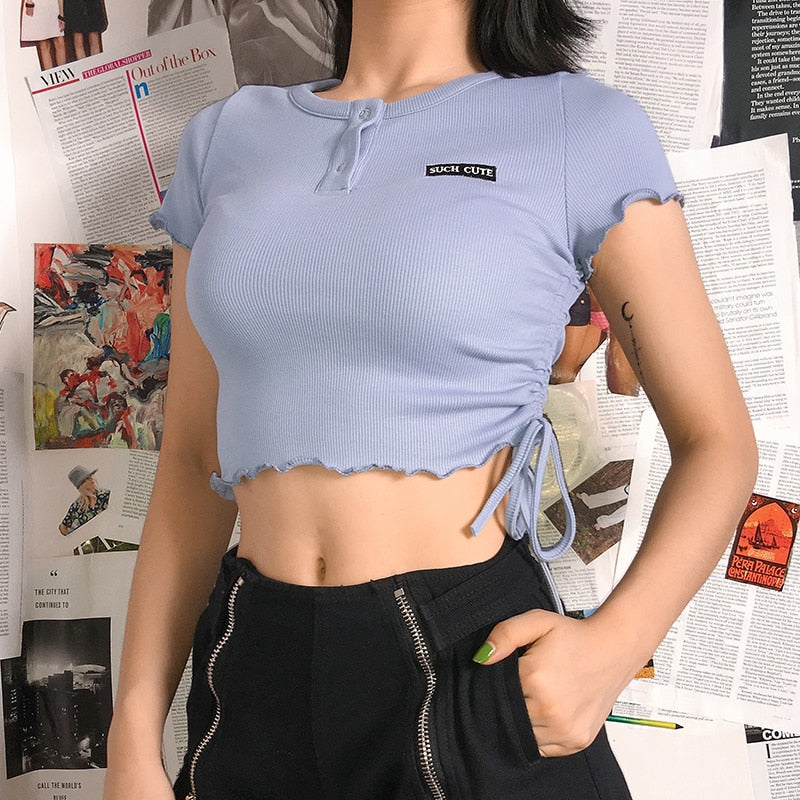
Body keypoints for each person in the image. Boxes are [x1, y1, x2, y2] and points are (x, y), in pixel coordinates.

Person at [103, 1, 758, 798]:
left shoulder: (579, 127)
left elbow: (718, 441)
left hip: (465, 660)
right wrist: (132, 729)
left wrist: (615, 646)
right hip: (253, 671)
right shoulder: (226, 138)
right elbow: (191, 459)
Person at [19, 0, 67, 71]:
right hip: (38, 5)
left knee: (59, 41)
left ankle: (63, 73)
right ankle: (49, 74)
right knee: (44, 43)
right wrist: (29, 2)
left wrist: (61, 14)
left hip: (53, 5)